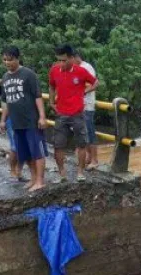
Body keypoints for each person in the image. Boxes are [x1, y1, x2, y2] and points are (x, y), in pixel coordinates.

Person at [0, 46, 48, 192]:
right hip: (16, 122)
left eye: (10, 59)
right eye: (5, 60)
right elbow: (6, 102)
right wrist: (3, 120)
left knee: (37, 152)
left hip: (31, 121)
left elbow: (38, 96)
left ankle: (40, 181)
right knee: (25, 153)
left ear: (18, 58)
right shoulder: (5, 78)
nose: (7, 62)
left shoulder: (28, 74)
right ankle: (33, 179)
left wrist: (42, 117)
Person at [49, 44, 98, 182]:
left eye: (64, 60)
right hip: (61, 113)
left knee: (81, 144)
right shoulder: (54, 70)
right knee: (58, 145)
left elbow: (95, 82)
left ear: (71, 58)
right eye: (59, 60)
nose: (61, 63)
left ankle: (80, 172)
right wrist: (52, 102)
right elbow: (51, 86)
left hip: (77, 113)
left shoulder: (81, 71)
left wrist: (85, 92)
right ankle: (62, 174)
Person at [0, 80, 23, 181]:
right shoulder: (5, 81)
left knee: (23, 146)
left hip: (25, 119)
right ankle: (13, 171)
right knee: (15, 147)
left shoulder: (25, 80)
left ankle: (19, 171)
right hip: (10, 118)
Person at [73, 50, 99, 169]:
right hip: (77, 106)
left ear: (75, 57)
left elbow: (92, 84)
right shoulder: (74, 68)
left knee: (90, 131)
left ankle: (94, 160)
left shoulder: (86, 67)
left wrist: (81, 91)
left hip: (87, 105)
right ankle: (88, 157)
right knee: (82, 132)